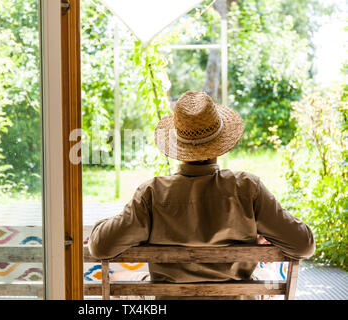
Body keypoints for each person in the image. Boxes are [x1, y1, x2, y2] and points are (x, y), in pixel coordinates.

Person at [88, 90, 315, 299]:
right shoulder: (247, 188)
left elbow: (100, 247)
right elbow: (303, 245)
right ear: (220, 143)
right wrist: (262, 232)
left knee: (123, 280)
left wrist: (104, 225)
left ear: (178, 146)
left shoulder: (151, 194)